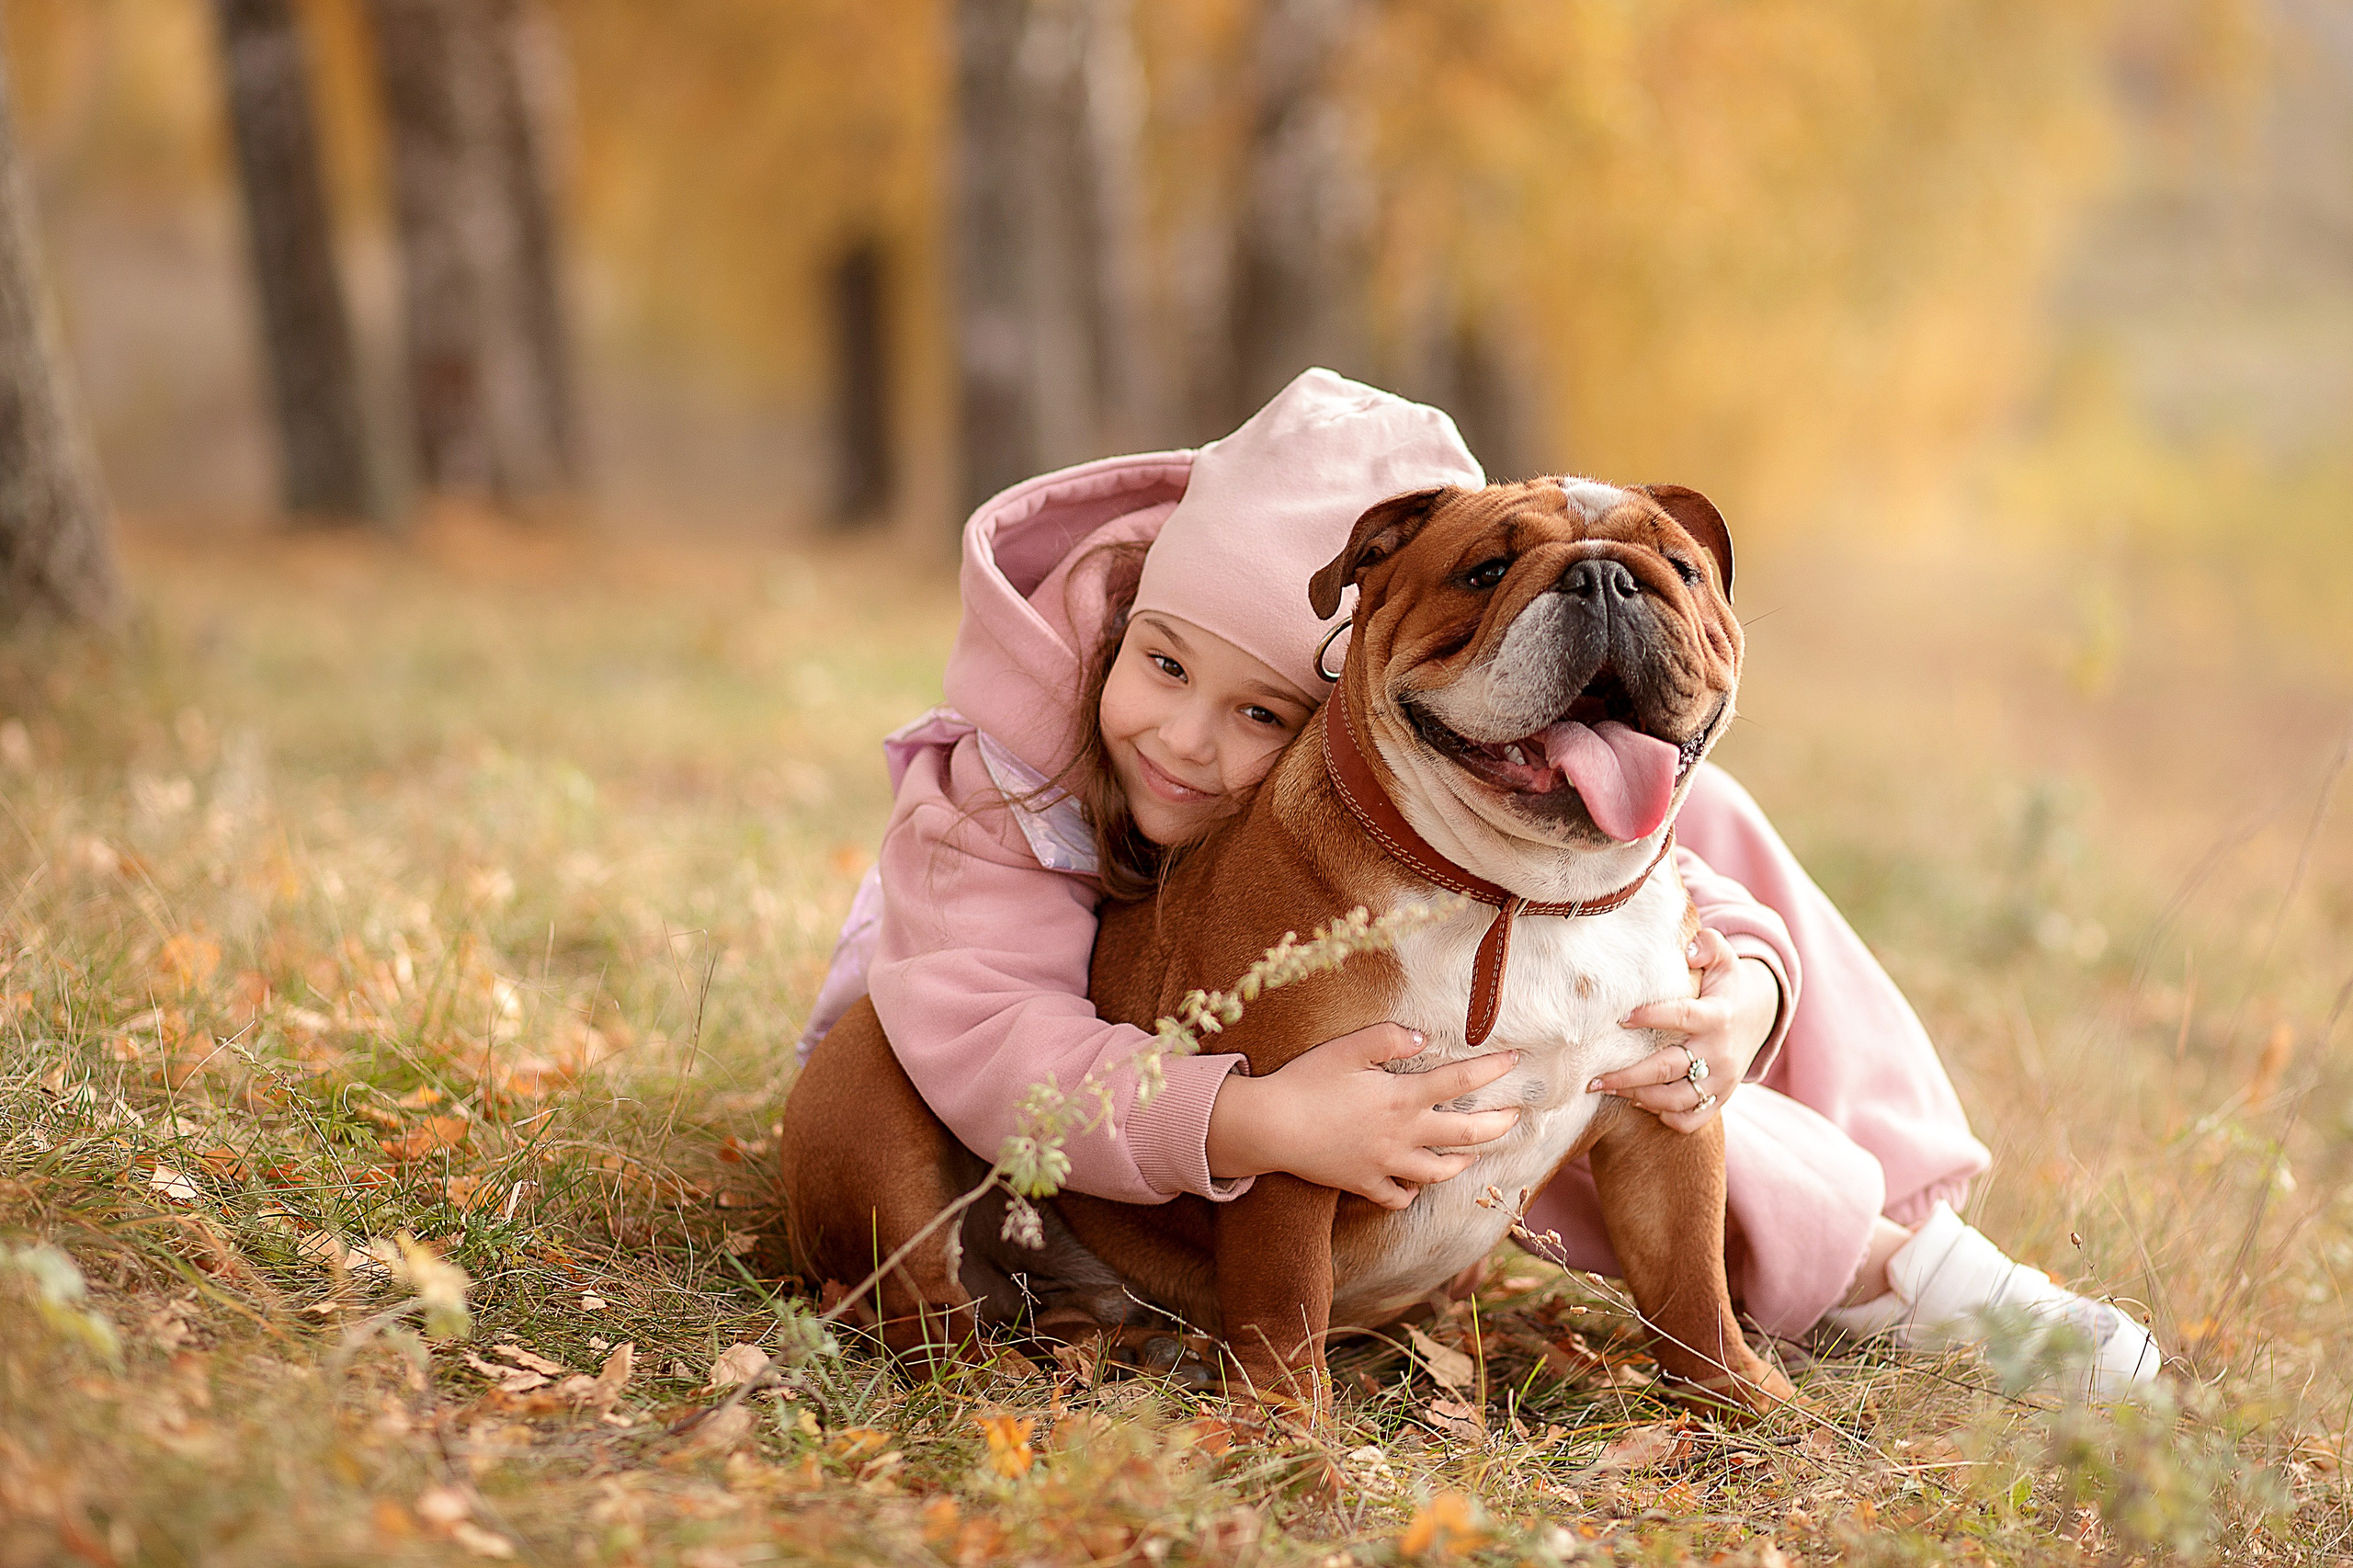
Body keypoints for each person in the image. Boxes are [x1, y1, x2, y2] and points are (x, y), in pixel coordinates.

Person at [797, 369, 2159, 1395]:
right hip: (1034, 1130)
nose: (1198, 741)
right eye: (1162, 668)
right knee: (887, 1060)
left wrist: (1748, 992)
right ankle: (940, 1338)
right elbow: (987, 1038)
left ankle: (1920, 1263)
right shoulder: (998, 800)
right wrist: (1254, 1121)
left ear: (1324, 712)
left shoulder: (1503, 785)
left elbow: (1674, 883)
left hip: (1434, 1148)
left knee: (1660, 1039)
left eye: (1266, 716)